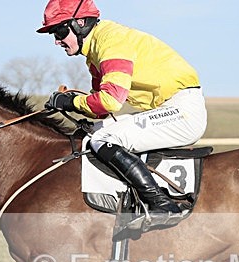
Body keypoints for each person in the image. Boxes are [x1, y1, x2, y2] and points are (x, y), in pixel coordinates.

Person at [37, 0, 207, 229]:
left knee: (104, 138)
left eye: (59, 31)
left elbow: (110, 101)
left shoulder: (111, 41)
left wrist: (71, 102)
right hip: (166, 109)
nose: (57, 41)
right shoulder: (94, 53)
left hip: (182, 112)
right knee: (93, 133)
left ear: (80, 23)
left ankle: (162, 204)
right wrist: (72, 104)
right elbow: (102, 110)